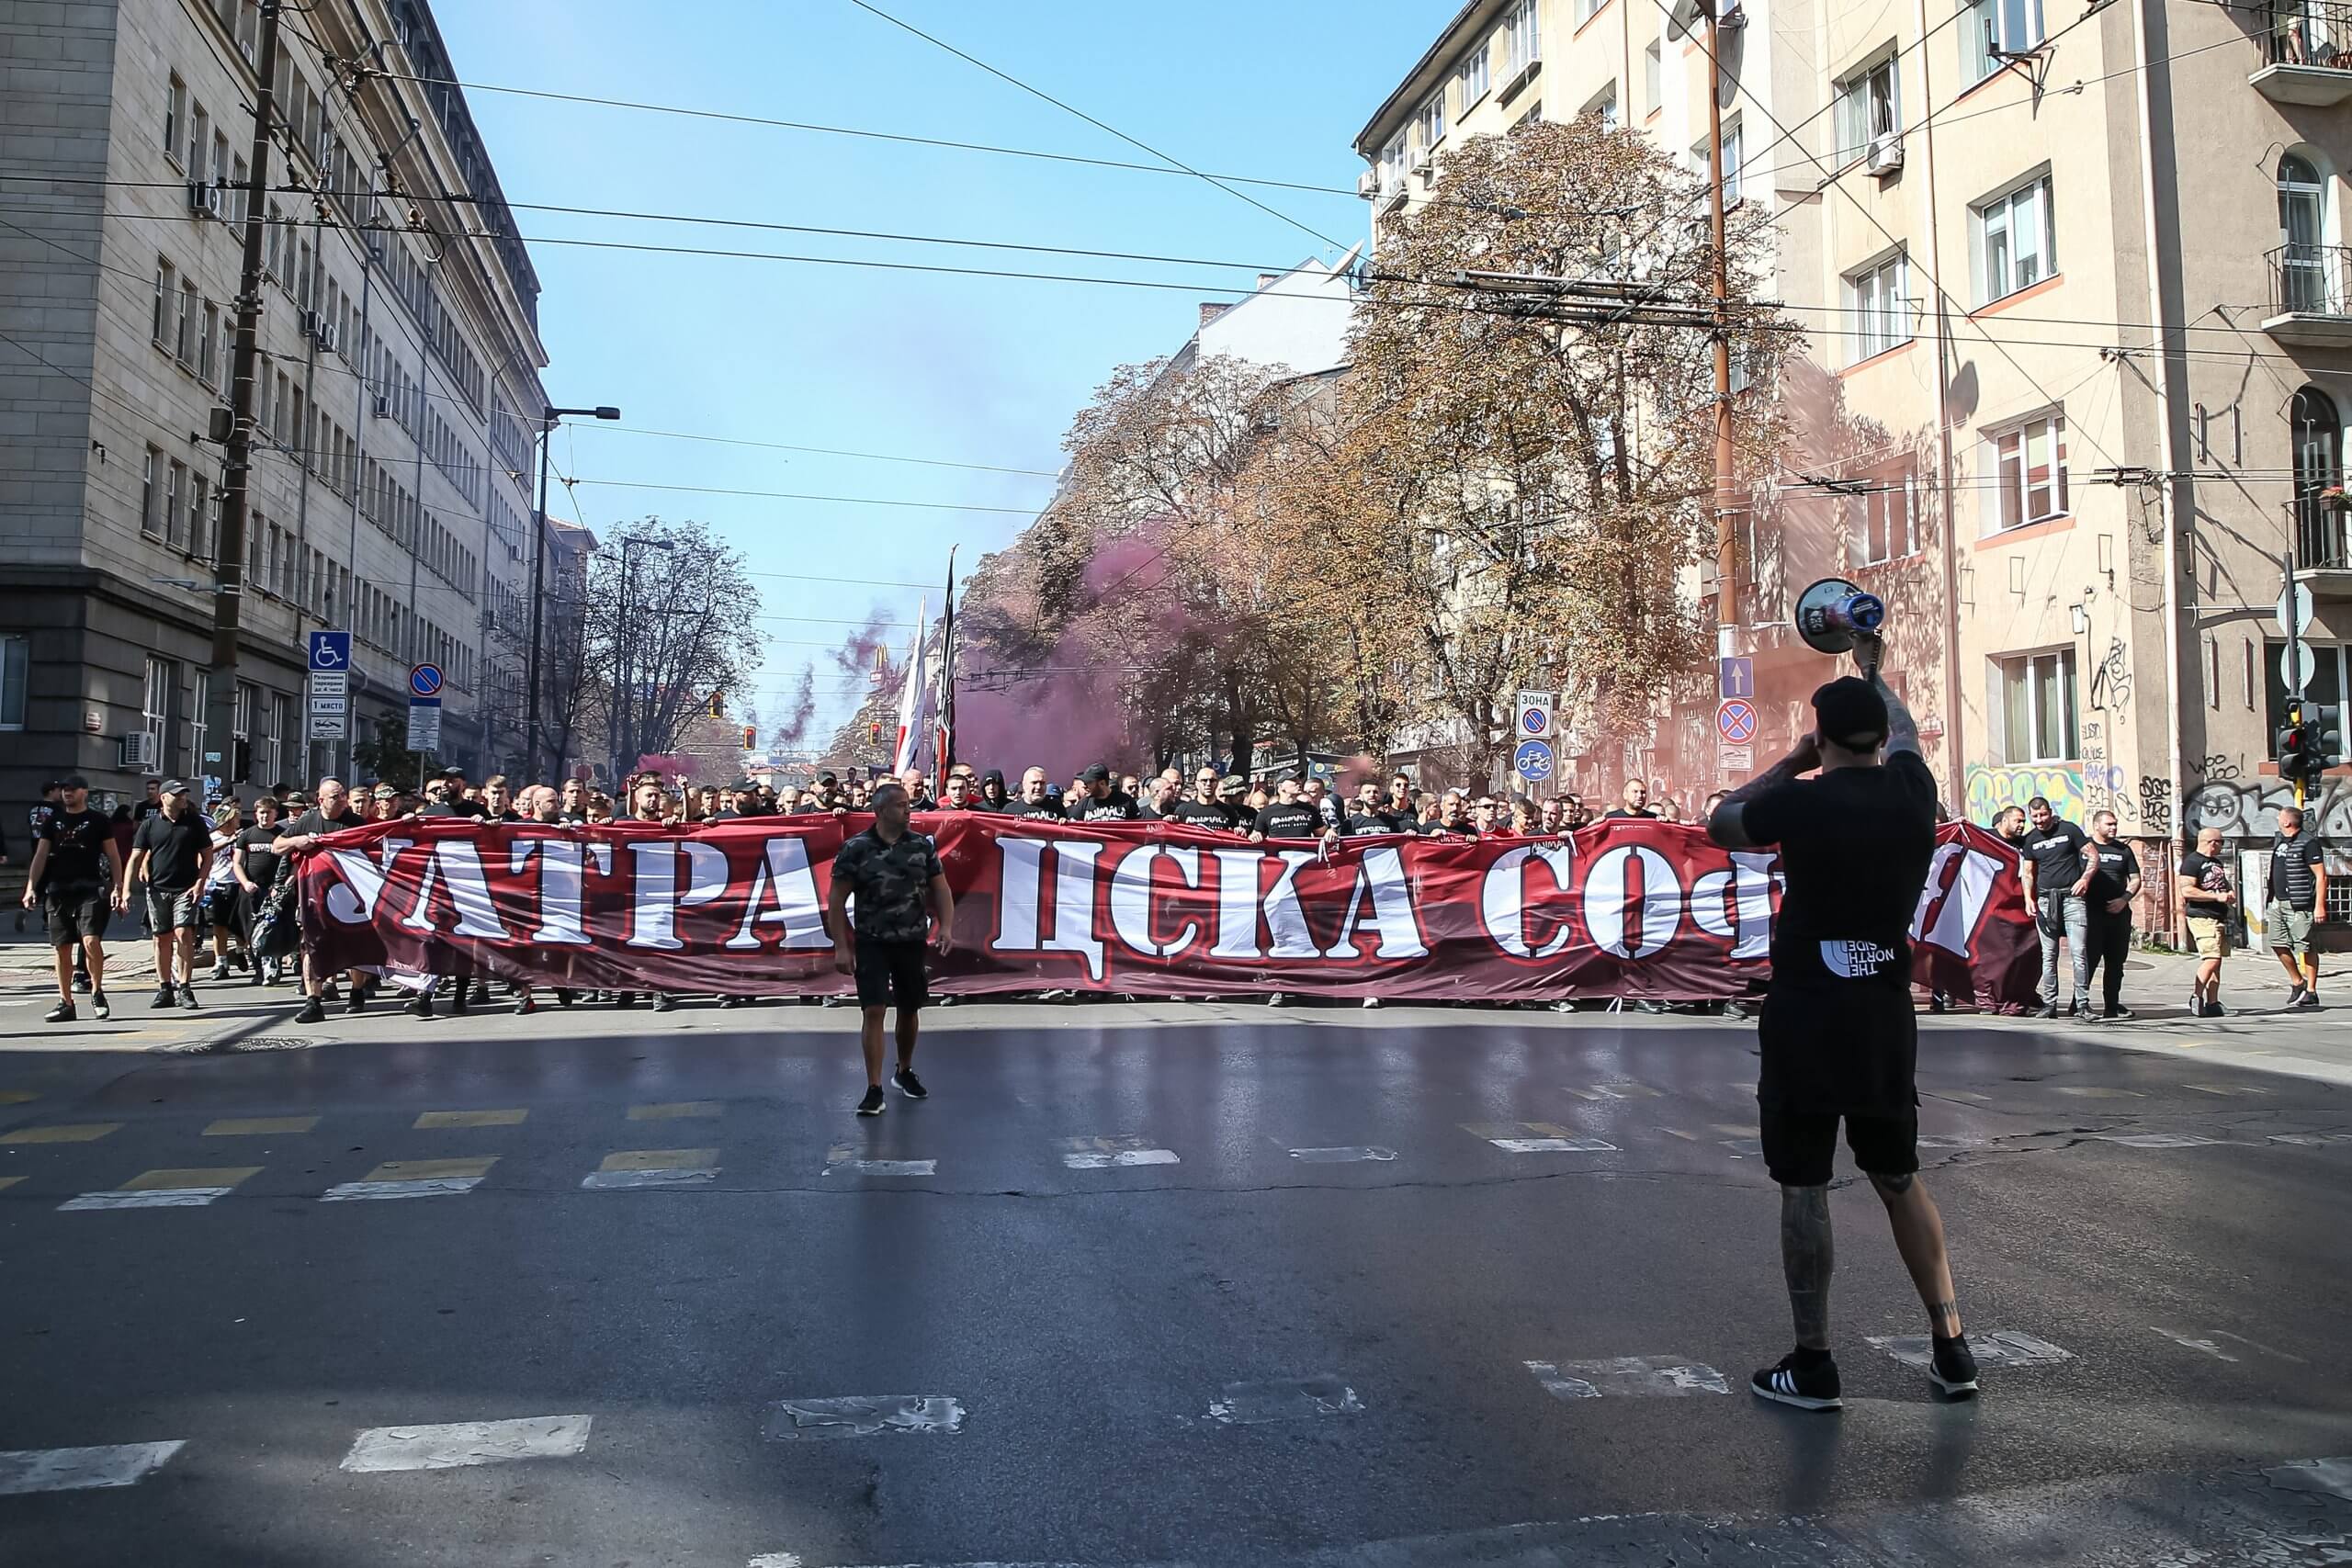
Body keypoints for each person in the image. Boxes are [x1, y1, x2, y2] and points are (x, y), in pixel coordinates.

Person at [1708, 657, 1975, 1412]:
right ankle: (1951, 1346)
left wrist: (1790, 762)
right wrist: (1876, 661)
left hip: (1806, 1010)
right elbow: (1912, 733)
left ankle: (1814, 1362)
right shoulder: (1911, 793)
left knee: (1804, 1182)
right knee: (1898, 1171)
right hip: (1883, 1011)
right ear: (1878, 738)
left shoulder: (1800, 801)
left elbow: (1721, 822)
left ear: (1821, 737)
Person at [827, 781, 955, 1116]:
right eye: (900, 805)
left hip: (911, 940)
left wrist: (947, 926)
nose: (908, 810)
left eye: (909, 804)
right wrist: (842, 946)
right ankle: (873, 1086)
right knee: (873, 1009)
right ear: (880, 810)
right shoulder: (856, 848)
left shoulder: (920, 846)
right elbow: (837, 899)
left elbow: (940, 888)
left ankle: (904, 1069)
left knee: (910, 1007)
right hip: (872, 942)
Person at [20, 774, 122, 1022]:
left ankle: (97, 990)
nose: (67, 793)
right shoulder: (52, 820)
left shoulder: (98, 821)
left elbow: (113, 856)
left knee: (90, 941)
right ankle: (66, 1002)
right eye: (64, 789)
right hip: (58, 890)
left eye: (72, 789)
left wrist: (119, 886)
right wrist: (31, 887)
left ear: (84, 792)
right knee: (62, 947)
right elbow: (41, 856)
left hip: (90, 887)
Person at [277, 779, 371, 1024]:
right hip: (314, 895)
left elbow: (374, 851)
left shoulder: (355, 823)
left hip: (349, 896)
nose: (341, 800)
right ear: (321, 800)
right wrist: (296, 842)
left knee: (355, 944)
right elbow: (277, 847)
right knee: (311, 946)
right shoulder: (308, 821)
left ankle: (356, 992)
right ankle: (313, 1001)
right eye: (335, 797)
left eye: (342, 796)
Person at [123, 780, 209, 1010]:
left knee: (183, 933)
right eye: (176, 795)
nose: (182, 798)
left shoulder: (194, 823)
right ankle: (164, 988)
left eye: (183, 795)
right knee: (161, 938)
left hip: (186, 888)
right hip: (158, 889)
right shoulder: (150, 825)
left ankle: (185, 987)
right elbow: (136, 857)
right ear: (164, 798)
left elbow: (207, 855)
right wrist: (126, 889)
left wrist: (200, 882)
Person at [2018, 795, 2095, 1019]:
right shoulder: (2030, 840)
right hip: (2045, 901)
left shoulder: (2069, 830)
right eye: (2035, 817)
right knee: (2048, 954)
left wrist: (2085, 879)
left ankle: (2082, 1005)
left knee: (2078, 952)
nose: (2039, 820)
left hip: (2072, 898)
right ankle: (2049, 1005)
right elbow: (2028, 873)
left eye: (2042, 815)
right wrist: (2028, 899)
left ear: (2050, 812)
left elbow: (2093, 856)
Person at [2265, 807, 2327, 1009]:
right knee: (2276, 942)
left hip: (2299, 904)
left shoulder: (2308, 842)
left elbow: (2321, 876)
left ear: (2287, 822)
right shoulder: (2281, 841)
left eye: (2280, 816)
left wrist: (2319, 906)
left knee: (2305, 945)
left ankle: (2312, 991)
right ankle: (2298, 981)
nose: (2277, 818)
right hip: (2278, 901)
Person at [2084, 809, 2141, 1021]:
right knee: (2088, 960)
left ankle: (2112, 1005)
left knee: (2116, 962)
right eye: (2109, 824)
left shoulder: (2123, 850)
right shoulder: (2085, 848)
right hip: (2091, 913)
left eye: (2115, 824)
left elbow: (2135, 879)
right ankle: (2079, 1002)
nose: (2114, 828)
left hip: (2118, 914)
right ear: (2096, 825)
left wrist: (2124, 899)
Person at [2177, 826, 2235, 1018]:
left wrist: (2229, 893)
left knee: (2217, 963)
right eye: (2221, 842)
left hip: (2219, 917)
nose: (2222, 845)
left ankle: (2213, 1003)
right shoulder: (2192, 862)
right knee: (2212, 958)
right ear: (2212, 842)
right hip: (2201, 917)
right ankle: (2196, 996)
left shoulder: (2215, 862)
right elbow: (2187, 891)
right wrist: (2215, 897)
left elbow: (2221, 885)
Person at [232, 795, 288, 987]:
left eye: (268, 813)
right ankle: (257, 970)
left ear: (275, 814)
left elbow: (289, 862)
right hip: (251, 890)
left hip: (274, 890)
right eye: (261, 813)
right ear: (256, 814)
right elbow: (237, 863)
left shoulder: (282, 835)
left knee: (273, 930)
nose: (264, 817)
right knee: (251, 931)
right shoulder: (247, 835)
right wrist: (246, 883)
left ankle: (273, 968)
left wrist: (279, 887)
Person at [1065, 763, 1139, 823]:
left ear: (1102, 783)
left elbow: (1139, 827)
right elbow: (1071, 826)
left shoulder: (1126, 801)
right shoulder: (1084, 803)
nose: (1085, 786)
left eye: (1089, 782)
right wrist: (1064, 822)